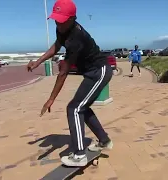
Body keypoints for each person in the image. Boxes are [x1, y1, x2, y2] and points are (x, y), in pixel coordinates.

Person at [26, 0, 113, 167]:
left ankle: (79, 155)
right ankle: (104, 140)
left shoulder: (76, 38)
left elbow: (63, 72)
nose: (59, 23)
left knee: (74, 108)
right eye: (56, 19)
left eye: (62, 20)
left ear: (72, 18)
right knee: (81, 107)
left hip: (99, 72)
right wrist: (37, 62)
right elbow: (56, 46)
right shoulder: (62, 27)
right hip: (91, 73)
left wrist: (51, 99)